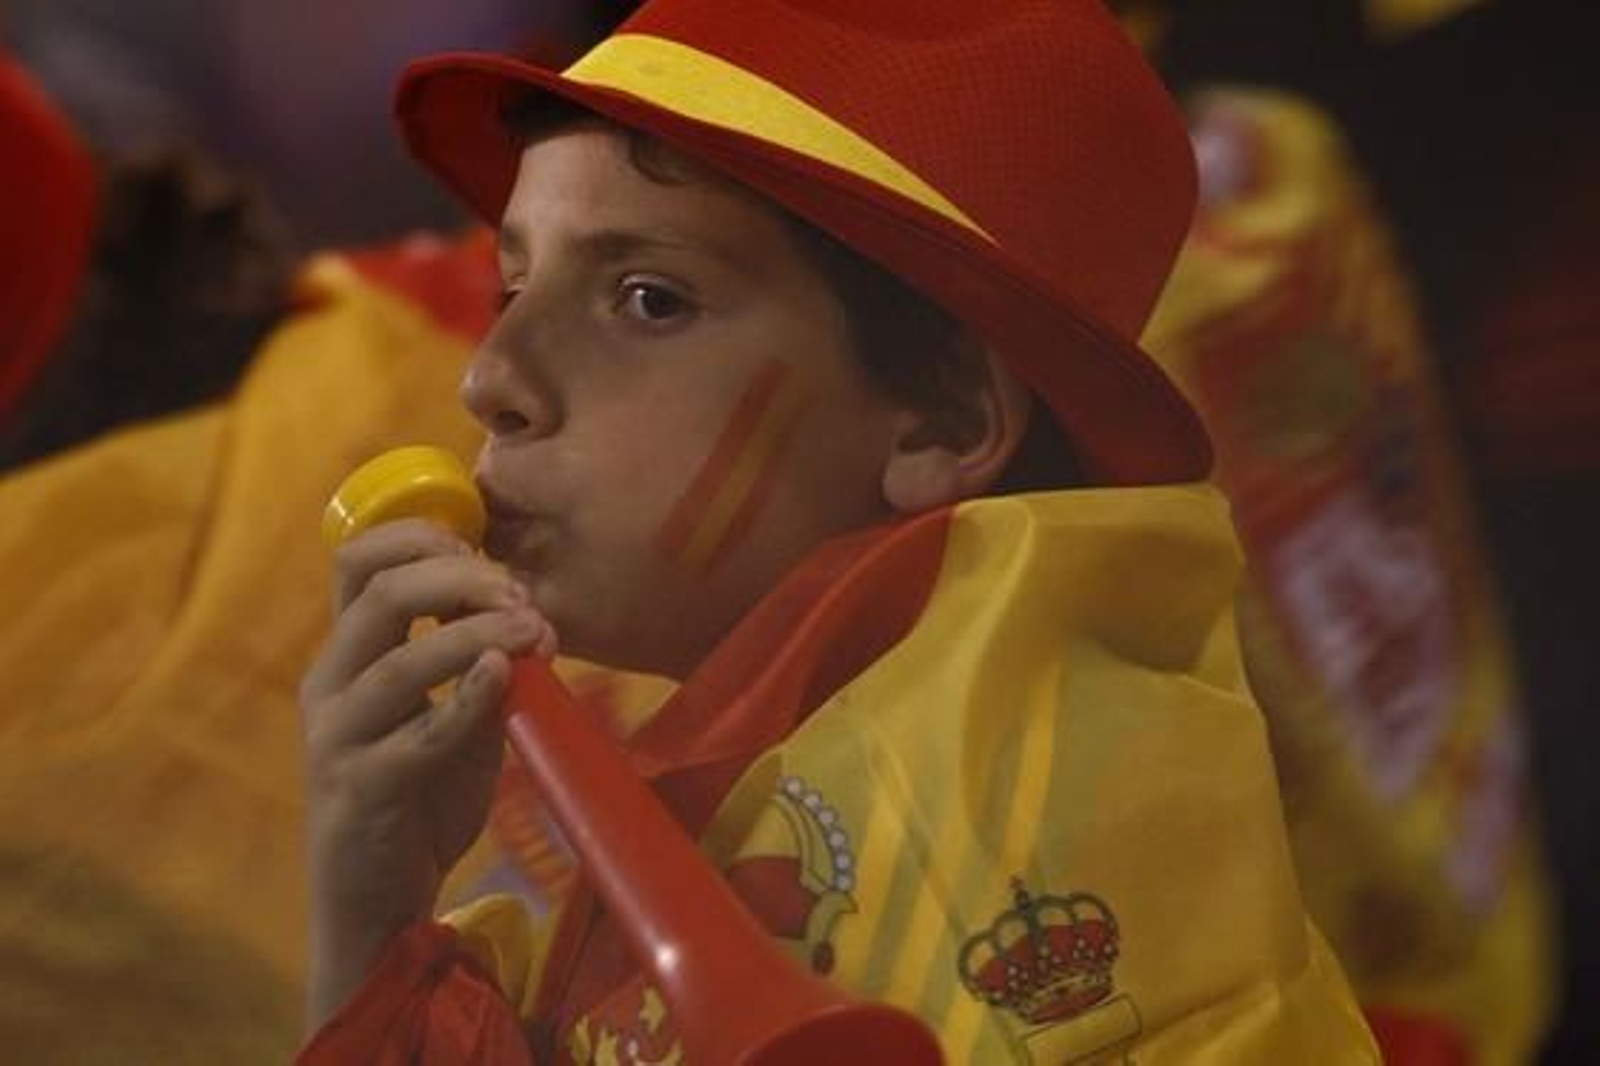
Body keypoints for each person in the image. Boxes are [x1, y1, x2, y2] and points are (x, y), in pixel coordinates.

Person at [298, 0, 1380, 1061]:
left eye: (648, 299)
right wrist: (375, 929)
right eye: (513, 284)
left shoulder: (1015, 833)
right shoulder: (818, 751)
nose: (491, 378)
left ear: (946, 418)